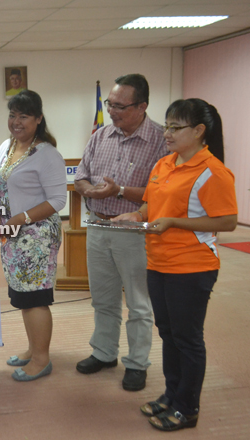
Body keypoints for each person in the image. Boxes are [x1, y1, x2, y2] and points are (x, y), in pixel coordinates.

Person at [115, 98, 237, 431]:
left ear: (199, 131)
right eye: (166, 125)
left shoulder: (213, 171)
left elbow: (227, 221)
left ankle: (188, 407)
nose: (166, 133)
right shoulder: (163, 165)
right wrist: (137, 215)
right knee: (168, 333)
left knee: (188, 338)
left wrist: (173, 222)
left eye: (175, 127)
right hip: (159, 263)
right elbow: (150, 207)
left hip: (192, 268)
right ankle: (171, 395)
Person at [74, 74, 169, 391]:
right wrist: (93, 191)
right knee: (103, 299)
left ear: (142, 106)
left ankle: (137, 363)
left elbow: (162, 193)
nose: (112, 111)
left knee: (139, 304)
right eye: (109, 104)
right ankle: (104, 353)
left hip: (134, 231)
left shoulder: (160, 140)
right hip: (98, 226)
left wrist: (119, 192)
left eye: (120, 106)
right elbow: (81, 178)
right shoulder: (101, 136)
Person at [0, 90, 66, 382]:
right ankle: (32, 349)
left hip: (36, 236)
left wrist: (20, 219)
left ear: (38, 119)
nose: (16, 121)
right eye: (13, 114)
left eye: (24, 116)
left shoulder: (47, 153)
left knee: (35, 297)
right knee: (22, 295)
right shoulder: (6, 146)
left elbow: (58, 200)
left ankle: (41, 359)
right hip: (11, 234)